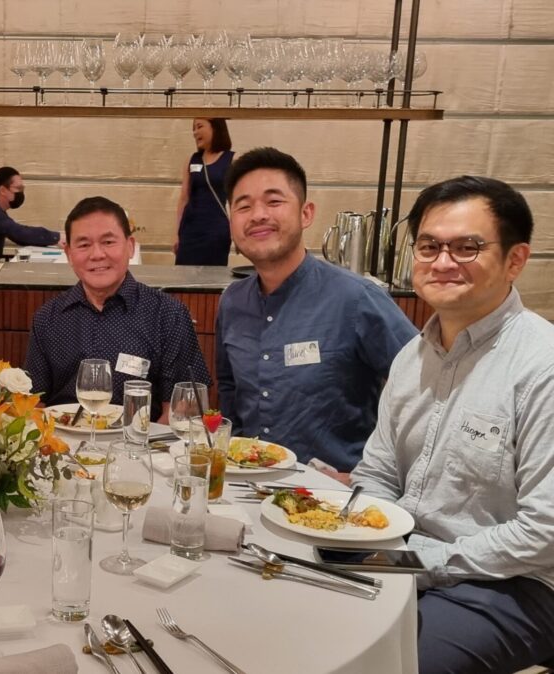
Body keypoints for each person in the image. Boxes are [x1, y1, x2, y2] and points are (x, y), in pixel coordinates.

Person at [351, 176, 554, 674]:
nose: (443, 262)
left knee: (379, 665)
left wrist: (418, 562)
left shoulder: (541, 365)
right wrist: (359, 539)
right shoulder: (410, 358)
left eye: (467, 247)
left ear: (515, 259)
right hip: (407, 562)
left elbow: (544, 531)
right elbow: (376, 473)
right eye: (429, 246)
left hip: (510, 584)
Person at [215, 147, 417, 476]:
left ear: (306, 213)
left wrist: (378, 476)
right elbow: (228, 388)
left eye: (274, 201)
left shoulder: (356, 298)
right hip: (246, 486)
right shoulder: (233, 301)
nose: (258, 215)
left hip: (334, 499)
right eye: (244, 206)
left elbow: (423, 388)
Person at [25, 196, 209, 419]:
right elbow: (35, 402)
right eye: (84, 245)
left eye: (108, 242)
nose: (97, 254)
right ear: (69, 255)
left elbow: (182, 408)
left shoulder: (168, 314)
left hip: (141, 446)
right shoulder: (48, 318)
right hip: (63, 445)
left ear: (130, 247)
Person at [174, 118, 235, 266]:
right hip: (189, 229)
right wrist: (176, 234)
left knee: (212, 276)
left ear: (215, 127)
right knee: (183, 276)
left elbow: (236, 200)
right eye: (193, 128)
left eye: (199, 126)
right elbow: (184, 198)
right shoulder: (191, 159)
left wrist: (237, 233)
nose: (195, 132)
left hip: (216, 230)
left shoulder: (232, 159)